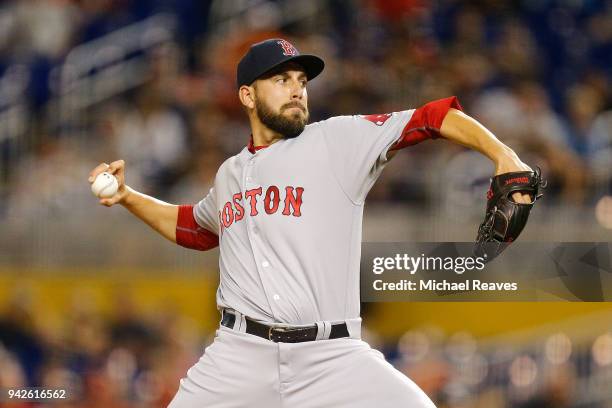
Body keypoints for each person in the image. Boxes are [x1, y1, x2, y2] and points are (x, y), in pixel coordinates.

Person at [88, 39, 533, 407]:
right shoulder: (229, 173)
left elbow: (433, 118)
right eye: (280, 79)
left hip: (332, 356)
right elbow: (195, 228)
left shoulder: (337, 140)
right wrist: (127, 197)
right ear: (247, 95)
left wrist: (503, 155)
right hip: (239, 355)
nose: (297, 89)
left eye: (301, 81)